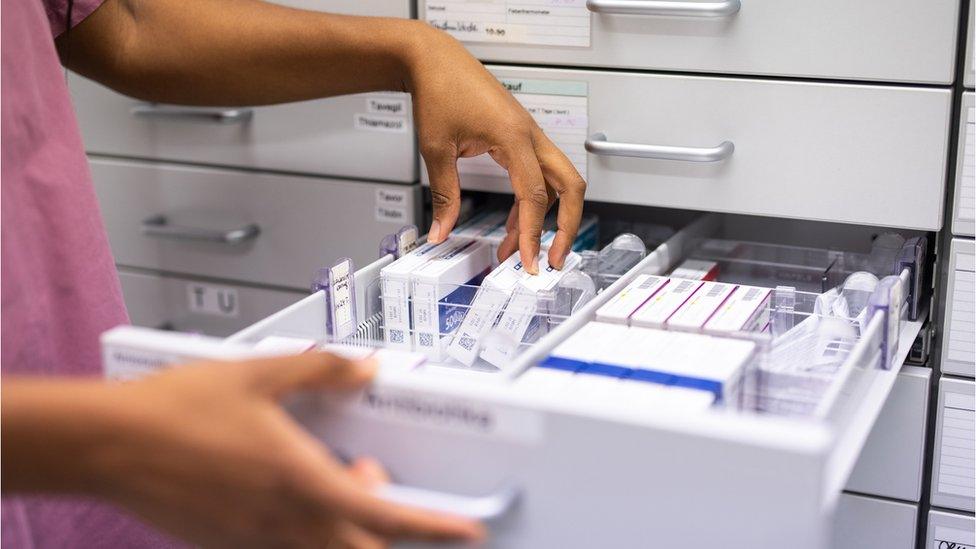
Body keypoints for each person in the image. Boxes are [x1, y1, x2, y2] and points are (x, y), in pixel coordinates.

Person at [1, 0, 587, 547]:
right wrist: (110, 444)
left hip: (67, 417)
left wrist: (417, 49)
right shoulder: (113, 448)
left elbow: (123, 27)